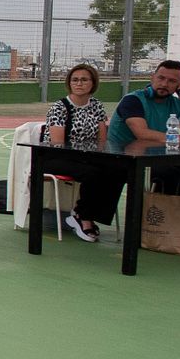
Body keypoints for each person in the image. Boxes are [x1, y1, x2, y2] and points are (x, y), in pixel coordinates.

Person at [41, 64, 123, 242]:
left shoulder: (97, 107)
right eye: (75, 80)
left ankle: (91, 214)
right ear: (69, 83)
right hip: (56, 157)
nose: (79, 83)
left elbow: (102, 140)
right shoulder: (60, 107)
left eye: (84, 79)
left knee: (118, 169)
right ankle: (83, 217)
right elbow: (57, 143)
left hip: (87, 157)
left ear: (93, 83)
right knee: (92, 173)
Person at [107, 59, 180, 196]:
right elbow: (142, 134)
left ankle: (169, 211)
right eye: (161, 78)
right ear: (152, 77)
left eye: (172, 81)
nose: (164, 84)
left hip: (155, 159)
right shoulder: (133, 100)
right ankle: (153, 213)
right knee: (171, 176)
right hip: (124, 160)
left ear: (179, 85)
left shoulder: (176, 104)